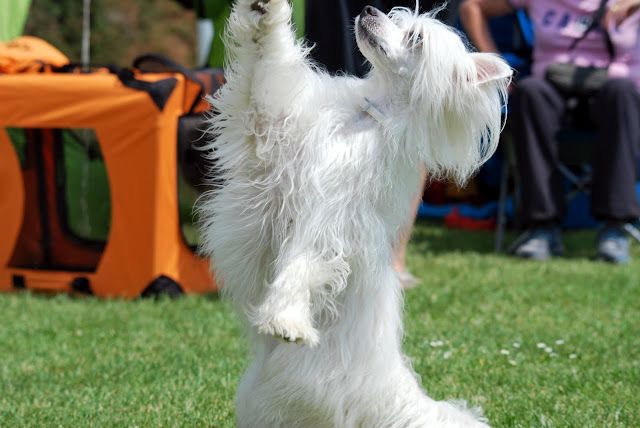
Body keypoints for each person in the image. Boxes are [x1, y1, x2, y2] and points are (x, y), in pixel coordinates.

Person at [460, 0, 640, 263]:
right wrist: (497, 70)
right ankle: (542, 227)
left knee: (622, 93)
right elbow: (471, 7)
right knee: (530, 92)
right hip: (553, 86)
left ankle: (615, 228)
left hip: (613, 88)